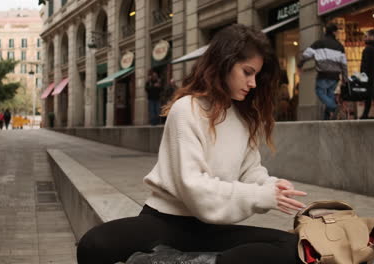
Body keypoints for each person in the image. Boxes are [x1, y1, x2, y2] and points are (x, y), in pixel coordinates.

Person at [77, 24, 307, 264]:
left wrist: (273, 187)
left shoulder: (244, 118)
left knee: (291, 246)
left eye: (257, 76)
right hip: (166, 222)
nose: (253, 83)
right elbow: (195, 188)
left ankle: (196, 262)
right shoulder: (187, 109)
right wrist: (262, 195)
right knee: (94, 245)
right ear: (224, 63)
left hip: (212, 229)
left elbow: (251, 171)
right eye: (247, 72)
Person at [298, 23, 348, 120]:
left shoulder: (319, 43)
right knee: (329, 95)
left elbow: (306, 55)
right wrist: (345, 78)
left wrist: (300, 64)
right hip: (335, 77)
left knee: (320, 92)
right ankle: (327, 119)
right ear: (335, 33)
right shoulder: (340, 46)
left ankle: (334, 107)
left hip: (323, 74)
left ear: (326, 31)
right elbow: (344, 64)